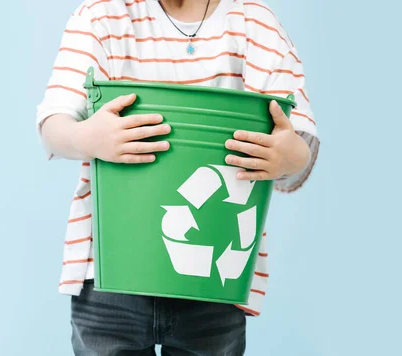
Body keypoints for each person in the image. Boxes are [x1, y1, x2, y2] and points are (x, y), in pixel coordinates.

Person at [36, 0, 320, 354]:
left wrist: (288, 155)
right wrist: (85, 136)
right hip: (108, 273)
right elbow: (54, 123)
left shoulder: (254, 23)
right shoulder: (101, 16)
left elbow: (298, 142)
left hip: (217, 276)